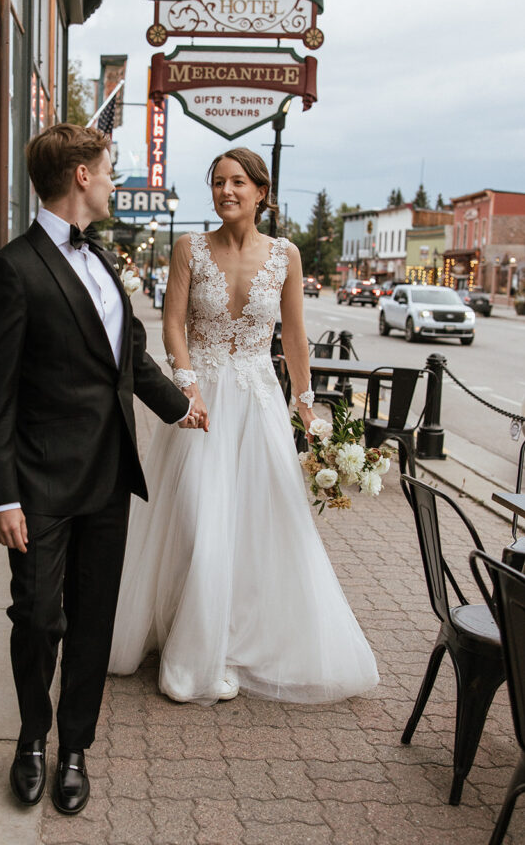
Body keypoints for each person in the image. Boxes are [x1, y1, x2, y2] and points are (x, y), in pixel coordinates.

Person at [0, 123, 196, 815]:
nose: (113, 180)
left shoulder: (101, 263)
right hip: (37, 481)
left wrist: (179, 404)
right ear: (79, 177)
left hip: (108, 476)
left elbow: (125, 351)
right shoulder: (12, 269)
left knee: (93, 619)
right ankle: (31, 737)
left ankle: (73, 748)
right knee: (38, 616)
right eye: (108, 169)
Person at [109, 147, 379, 704]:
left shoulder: (286, 256)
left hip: (257, 403)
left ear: (261, 191)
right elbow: (174, 325)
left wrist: (307, 409)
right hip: (201, 403)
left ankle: (233, 640)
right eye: (217, 183)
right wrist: (186, 385)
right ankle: (189, 641)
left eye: (237, 182)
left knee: (256, 520)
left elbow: (296, 339)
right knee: (196, 519)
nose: (225, 192)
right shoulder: (190, 249)